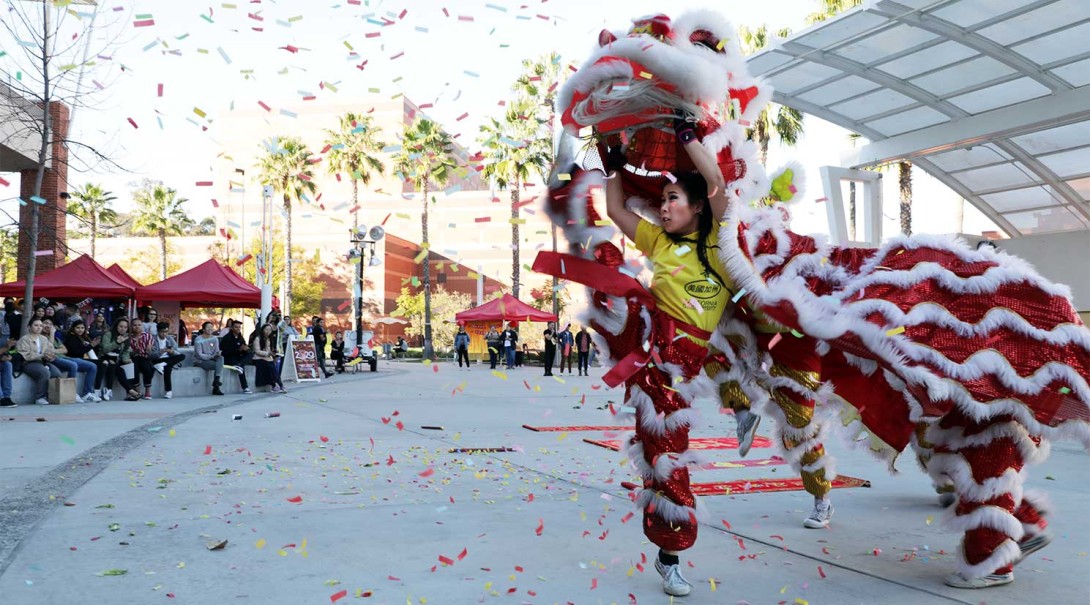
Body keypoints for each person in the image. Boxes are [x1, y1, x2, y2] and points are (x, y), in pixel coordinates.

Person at [16, 318, 64, 405]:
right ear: (29, 327)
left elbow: (50, 349)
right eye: (36, 325)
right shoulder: (24, 339)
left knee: (57, 373)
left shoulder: (43, 338)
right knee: (44, 373)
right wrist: (42, 355)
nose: (39, 328)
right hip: (28, 363)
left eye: (40, 326)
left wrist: (51, 356)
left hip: (43, 362)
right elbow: (26, 355)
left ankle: (52, 396)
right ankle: (40, 397)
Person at [42, 318, 85, 403]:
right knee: (73, 365)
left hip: (62, 357)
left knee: (92, 366)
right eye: (46, 323)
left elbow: (65, 350)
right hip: (50, 359)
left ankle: (88, 393)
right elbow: (49, 349)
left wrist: (55, 350)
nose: (48, 326)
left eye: (50, 324)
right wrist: (52, 334)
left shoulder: (56, 339)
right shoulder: (42, 337)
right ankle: (71, 392)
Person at [62, 321, 102, 403]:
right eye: (78, 328)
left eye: (82, 328)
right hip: (72, 359)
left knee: (101, 364)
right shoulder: (70, 337)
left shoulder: (83, 337)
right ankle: (87, 393)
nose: (80, 330)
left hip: (80, 359)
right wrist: (91, 346)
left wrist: (92, 345)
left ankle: (94, 391)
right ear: (73, 328)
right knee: (92, 366)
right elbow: (76, 352)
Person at [150, 322, 186, 399]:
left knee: (182, 356)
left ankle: (163, 364)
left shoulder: (170, 339)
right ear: (158, 331)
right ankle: (168, 390)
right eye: (162, 332)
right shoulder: (153, 339)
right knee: (168, 367)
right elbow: (150, 355)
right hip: (157, 359)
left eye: (166, 331)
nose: (164, 334)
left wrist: (172, 352)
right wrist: (160, 351)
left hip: (167, 359)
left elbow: (177, 352)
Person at [192, 321, 226, 396]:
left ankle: (216, 381)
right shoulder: (198, 339)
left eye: (211, 327)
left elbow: (216, 350)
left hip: (212, 358)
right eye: (208, 327)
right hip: (200, 361)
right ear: (203, 329)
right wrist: (211, 356)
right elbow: (199, 355)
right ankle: (216, 387)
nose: (210, 329)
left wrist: (217, 354)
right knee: (218, 366)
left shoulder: (215, 339)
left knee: (221, 358)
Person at [220, 320, 253, 394]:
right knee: (241, 368)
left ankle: (240, 365)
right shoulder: (227, 338)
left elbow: (243, 345)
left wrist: (245, 348)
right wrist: (238, 349)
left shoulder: (240, 337)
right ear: (231, 328)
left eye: (239, 327)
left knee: (251, 353)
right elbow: (225, 351)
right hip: (229, 358)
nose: (238, 329)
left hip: (238, 357)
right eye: (236, 327)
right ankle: (245, 387)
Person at [251, 322, 285, 393]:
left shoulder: (268, 339)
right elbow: (257, 351)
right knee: (268, 367)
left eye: (269, 330)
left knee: (273, 368)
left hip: (267, 357)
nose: (268, 331)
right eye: (266, 329)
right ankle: (273, 385)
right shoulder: (258, 338)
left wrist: (272, 353)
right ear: (262, 330)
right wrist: (267, 353)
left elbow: (268, 349)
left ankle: (280, 384)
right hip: (258, 358)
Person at [129, 320, 157, 400]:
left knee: (147, 368)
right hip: (133, 358)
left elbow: (152, 349)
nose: (137, 327)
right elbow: (129, 352)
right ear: (131, 326)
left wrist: (149, 349)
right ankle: (137, 390)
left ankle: (147, 390)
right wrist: (134, 351)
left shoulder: (148, 336)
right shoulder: (129, 337)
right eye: (134, 325)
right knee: (134, 368)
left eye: (139, 325)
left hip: (145, 357)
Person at [0, 316, 16, 407]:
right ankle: (1, 398)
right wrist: (6, 347)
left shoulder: (3, 337)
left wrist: (7, 356)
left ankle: (7, 397)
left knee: (8, 364)